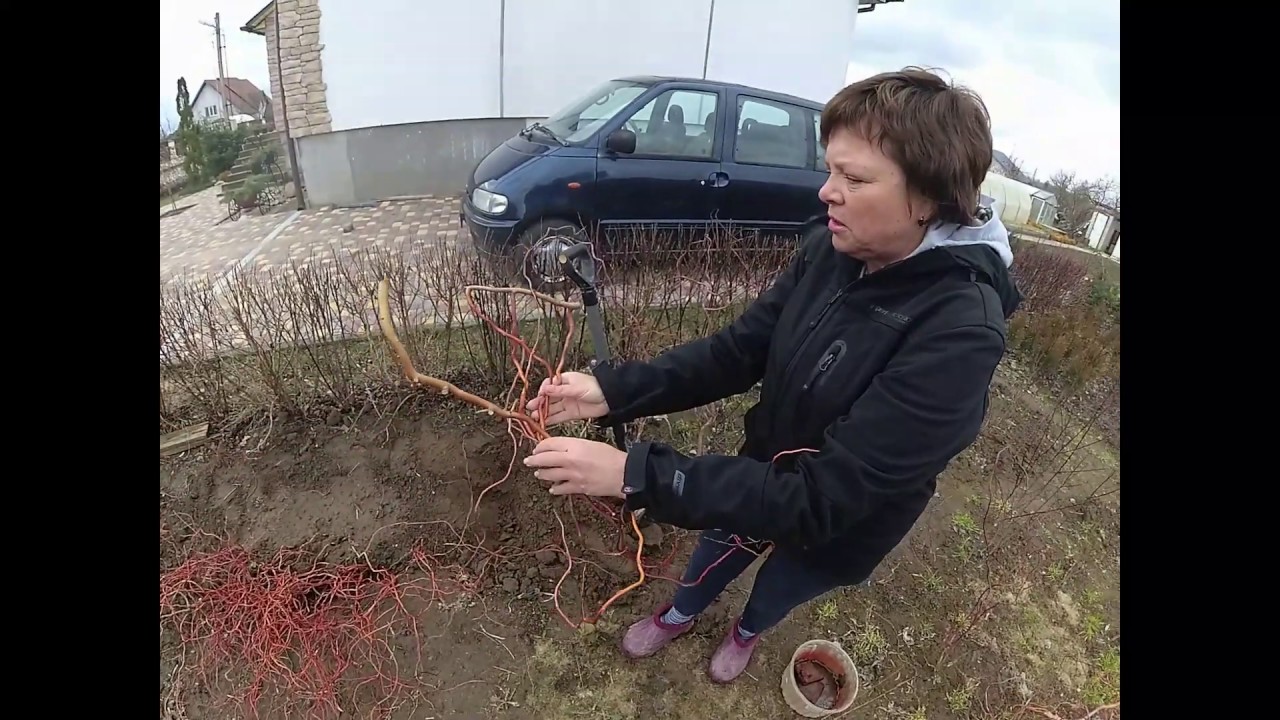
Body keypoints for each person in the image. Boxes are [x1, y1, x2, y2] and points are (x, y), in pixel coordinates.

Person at [523, 67, 1023, 684]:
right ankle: (682, 611)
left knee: (785, 580)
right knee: (717, 551)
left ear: (928, 199)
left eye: (855, 178)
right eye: (831, 169)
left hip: (841, 521)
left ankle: (747, 631)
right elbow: (739, 350)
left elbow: (820, 501)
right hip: (763, 472)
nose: (826, 192)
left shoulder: (960, 334)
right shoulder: (832, 250)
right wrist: (616, 389)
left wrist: (636, 473)